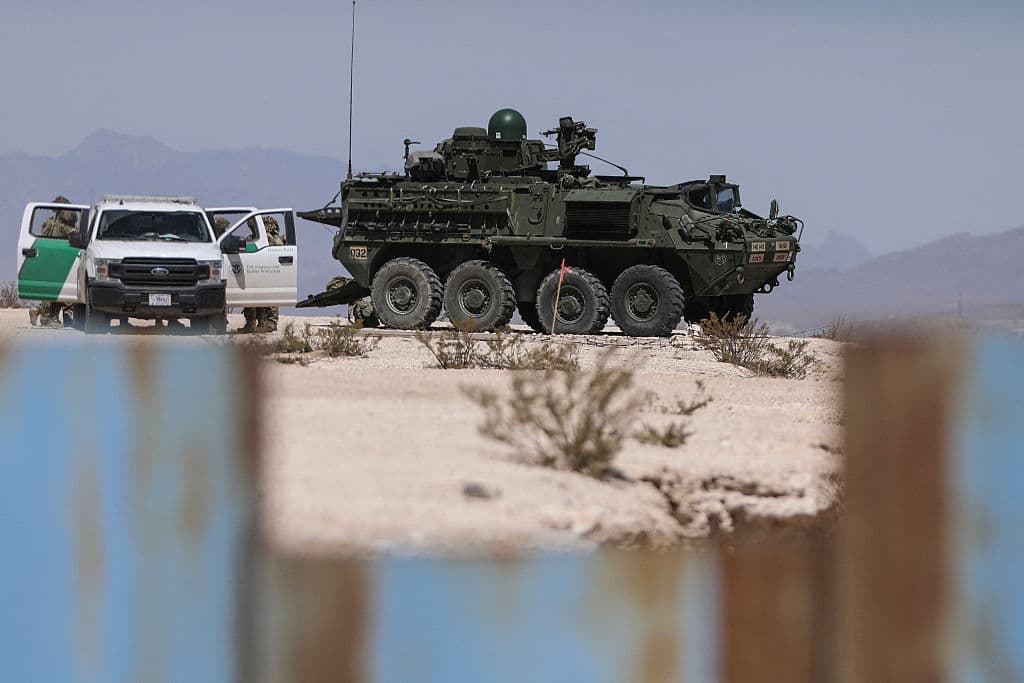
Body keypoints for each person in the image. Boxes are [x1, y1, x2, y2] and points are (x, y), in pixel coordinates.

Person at [30, 196, 78, 328]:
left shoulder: (48, 222)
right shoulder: (63, 226)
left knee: (55, 291)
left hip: (48, 258)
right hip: (60, 261)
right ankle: (46, 317)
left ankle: (42, 313)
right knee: (58, 292)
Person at [240, 216, 285, 333]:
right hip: (263, 271)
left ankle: (263, 323)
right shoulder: (276, 239)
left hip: (262, 271)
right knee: (261, 298)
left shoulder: (269, 239)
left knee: (261, 298)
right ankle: (261, 323)